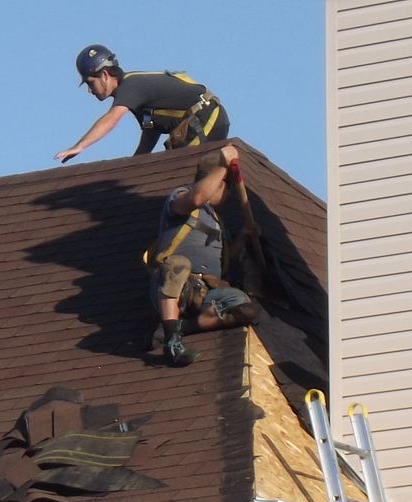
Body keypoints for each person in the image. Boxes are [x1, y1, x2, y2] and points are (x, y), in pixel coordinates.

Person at [148, 147, 262, 366]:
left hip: (204, 292)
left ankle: (179, 328)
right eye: (226, 187)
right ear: (217, 181)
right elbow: (198, 197)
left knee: (244, 306)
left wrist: (243, 239)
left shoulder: (218, 220)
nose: (228, 194)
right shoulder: (181, 197)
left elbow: (223, 263)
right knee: (178, 265)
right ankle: (172, 343)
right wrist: (222, 165)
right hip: (175, 287)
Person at [55, 45, 229, 162]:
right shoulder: (133, 95)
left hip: (206, 119)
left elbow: (111, 120)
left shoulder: (131, 86)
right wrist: (137, 162)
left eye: (90, 83)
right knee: (175, 175)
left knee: (181, 172)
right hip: (201, 122)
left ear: (105, 75)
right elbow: (150, 128)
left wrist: (79, 146)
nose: (89, 90)